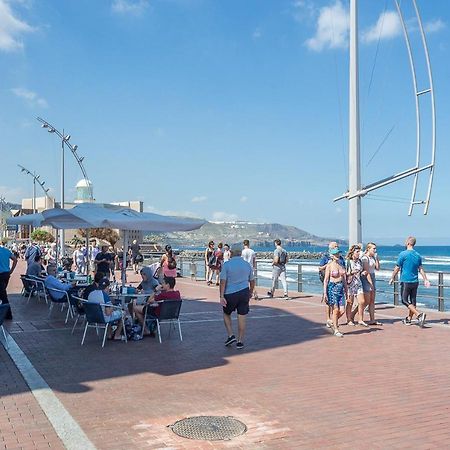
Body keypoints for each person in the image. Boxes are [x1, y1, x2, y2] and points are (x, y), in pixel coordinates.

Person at [219, 243, 255, 349]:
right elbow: (252, 281)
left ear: (231, 252)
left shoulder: (227, 265)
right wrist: (250, 292)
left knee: (226, 313)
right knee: (242, 316)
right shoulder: (246, 265)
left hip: (230, 293)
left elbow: (222, 281)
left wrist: (221, 295)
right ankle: (240, 341)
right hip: (244, 292)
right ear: (241, 253)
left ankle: (231, 335)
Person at [389, 236, 430, 327]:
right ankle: (409, 319)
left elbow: (397, 268)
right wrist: (425, 279)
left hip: (406, 281)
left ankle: (419, 315)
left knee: (404, 300)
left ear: (407, 243)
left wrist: (392, 277)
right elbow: (421, 269)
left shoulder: (403, 254)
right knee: (412, 300)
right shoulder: (418, 255)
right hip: (415, 281)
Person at [319, 242, 346, 327]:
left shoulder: (341, 259)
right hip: (331, 285)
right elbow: (320, 268)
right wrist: (329, 264)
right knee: (330, 304)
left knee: (340, 310)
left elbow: (344, 271)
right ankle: (329, 319)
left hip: (340, 286)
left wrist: (346, 288)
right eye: (335, 247)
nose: (337, 248)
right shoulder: (326, 258)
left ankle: (333, 321)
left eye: (337, 247)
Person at [323, 247, 348, 337]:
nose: (337, 255)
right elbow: (326, 280)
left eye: (338, 253)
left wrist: (346, 291)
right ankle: (336, 329)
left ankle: (332, 322)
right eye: (335, 254)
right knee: (336, 309)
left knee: (342, 311)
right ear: (332, 256)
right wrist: (325, 293)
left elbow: (344, 280)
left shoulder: (341, 266)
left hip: (340, 290)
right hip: (332, 289)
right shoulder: (329, 266)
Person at [346, 245, 368, 327]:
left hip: (358, 283)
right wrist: (351, 272)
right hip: (350, 284)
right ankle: (349, 319)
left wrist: (363, 273)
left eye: (359, 252)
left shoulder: (359, 261)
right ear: (352, 252)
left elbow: (362, 270)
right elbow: (344, 273)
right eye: (357, 252)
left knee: (362, 301)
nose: (359, 253)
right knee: (350, 303)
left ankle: (360, 319)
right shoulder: (348, 261)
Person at [361, 242, 382, 326]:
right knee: (366, 301)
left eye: (375, 248)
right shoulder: (365, 258)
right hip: (366, 278)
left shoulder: (373, 257)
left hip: (372, 276)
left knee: (372, 300)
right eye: (373, 248)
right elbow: (367, 272)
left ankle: (372, 319)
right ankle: (354, 315)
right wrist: (371, 284)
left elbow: (377, 268)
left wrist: (377, 258)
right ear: (368, 249)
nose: (375, 250)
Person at [0, 238, 18, 320]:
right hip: (6, 274)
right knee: (2, 292)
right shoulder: (6, 251)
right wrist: (11, 270)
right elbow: (15, 259)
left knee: (3, 295)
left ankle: (8, 314)